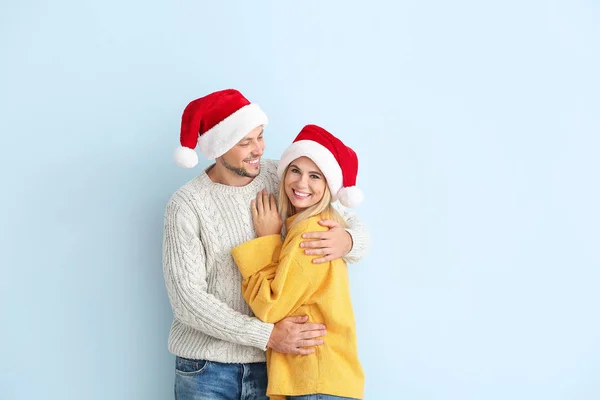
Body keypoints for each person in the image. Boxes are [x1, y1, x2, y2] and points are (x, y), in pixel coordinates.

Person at [163, 89, 369, 400]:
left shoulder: (282, 176)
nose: (258, 149)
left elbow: (344, 217)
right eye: (245, 142)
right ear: (219, 147)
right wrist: (267, 335)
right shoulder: (186, 205)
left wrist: (349, 240)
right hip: (206, 369)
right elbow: (188, 300)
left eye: (260, 136)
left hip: (274, 369)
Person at [231, 124, 365, 400]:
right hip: (319, 378)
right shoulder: (320, 224)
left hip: (314, 381)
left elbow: (271, 308)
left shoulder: (310, 233)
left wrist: (267, 241)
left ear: (329, 185)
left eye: (315, 176)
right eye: (295, 170)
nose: (301, 184)